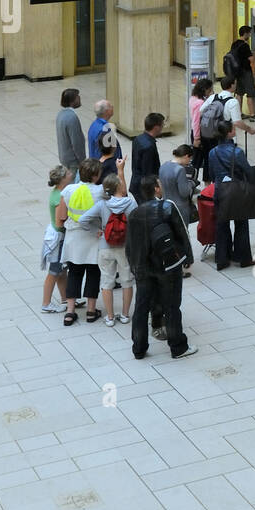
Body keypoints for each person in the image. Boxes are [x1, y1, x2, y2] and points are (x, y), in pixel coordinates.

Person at [126, 174, 196, 360]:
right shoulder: (167, 207)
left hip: (143, 267)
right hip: (167, 265)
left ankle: (138, 348)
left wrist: (133, 266)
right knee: (172, 305)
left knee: (141, 307)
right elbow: (181, 232)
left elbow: (130, 245)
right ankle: (177, 346)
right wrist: (187, 257)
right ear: (156, 189)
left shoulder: (134, 213)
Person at [81, 173, 137, 326]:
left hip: (105, 246)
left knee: (107, 281)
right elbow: (138, 224)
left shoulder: (102, 204)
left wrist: (97, 231)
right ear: (119, 186)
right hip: (125, 247)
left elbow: (82, 220)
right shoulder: (130, 204)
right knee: (127, 280)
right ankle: (125, 315)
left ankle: (110, 317)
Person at [56, 158, 104, 325]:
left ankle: (70, 312)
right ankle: (91, 310)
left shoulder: (68, 190)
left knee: (74, 273)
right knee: (93, 272)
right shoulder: (100, 191)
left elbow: (61, 216)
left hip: (73, 238)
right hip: (94, 236)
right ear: (96, 175)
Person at [208, 122, 254, 271]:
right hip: (237, 191)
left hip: (220, 190)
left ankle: (222, 258)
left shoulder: (212, 152)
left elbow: (212, 174)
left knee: (221, 225)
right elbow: (248, 172)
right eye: (233, 129)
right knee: (241, 224)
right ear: (229, 133)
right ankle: (243, 257)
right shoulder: (237, 152)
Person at [160, 144, 199, 277]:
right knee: (181, 236)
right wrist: (192, 183)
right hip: (180, 208)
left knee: (170, 236)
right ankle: (181, 264)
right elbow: (184, 192)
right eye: (189, 159)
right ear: (186, 156)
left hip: (166, 204)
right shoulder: (180, 170)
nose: (189, 163)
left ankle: (171, 262)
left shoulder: (164, 166)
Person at [41, 164, 72, 313]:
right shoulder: (61, 197)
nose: (71, 173)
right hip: (58, 239)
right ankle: (46, 303)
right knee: (54, 271)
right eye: (67, 173)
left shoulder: (57, 192)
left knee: (61, 270)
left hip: (56, 236)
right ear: (62, 179)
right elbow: (61, 221)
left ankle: (65, 299)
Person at [227, 25, 255, 120]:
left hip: (237, 72)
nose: (250, 35)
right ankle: (253, 115)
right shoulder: (245, 46)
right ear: (245, 33)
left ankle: (239, 114)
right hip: (246, 72)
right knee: (250, 93)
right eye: (249, 33)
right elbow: (252, 59)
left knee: (239, 93)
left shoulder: (234, 44)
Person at [130, 112, 164, 204]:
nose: (162, 128)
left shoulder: (138, 138)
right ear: (156, 127)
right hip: (144, 189)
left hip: (136, 181)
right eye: (162, 125)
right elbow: (148, 171)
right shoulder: (149, 146)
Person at [55, 88, 85, 174]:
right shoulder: (72, 117)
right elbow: (76, 142)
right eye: (77, 97)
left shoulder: (60, 114)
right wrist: (82, 160)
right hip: (73, 162)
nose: (79, 98)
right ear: (73, 100)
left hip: (64, 157)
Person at [189, 77, 213, 178]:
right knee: (203, 160)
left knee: (196, 160)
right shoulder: (200, 103)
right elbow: (196, 121)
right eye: (210, 90)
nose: (211, 92)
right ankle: (202, 182)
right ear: (204, 89)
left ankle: (192, 182)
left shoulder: (193, 98)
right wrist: (197, 138)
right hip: (200, 134)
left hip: (195, 133)